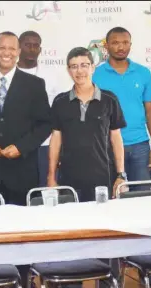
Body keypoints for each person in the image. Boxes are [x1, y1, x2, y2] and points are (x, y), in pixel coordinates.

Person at [0, 31, 52, 206]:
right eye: (1, 48)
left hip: (23, 173)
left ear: (18, 52)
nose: (6, 53)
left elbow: (45, 124)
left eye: (11, 48)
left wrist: (21, 147)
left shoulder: (35, 84)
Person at [47, 47, 127, 202]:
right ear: (68, 70)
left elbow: (116, 138)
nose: (79, 71)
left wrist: (121, 175)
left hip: (104, 177)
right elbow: (56, 140)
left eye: (84, 65)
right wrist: (51, 177)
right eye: (74, 66)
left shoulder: (109, 99)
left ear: (93, 67)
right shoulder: (60, 101)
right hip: (69, 179)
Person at [93, 27, 151, 192]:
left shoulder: (143, 72)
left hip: (140, 146)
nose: (121, 47)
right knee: (111, 199)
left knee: (142, 197)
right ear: (107, 46)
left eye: (125, 42)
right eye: (115, 43)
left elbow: (150, 110)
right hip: (107, 146)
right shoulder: (95, 74)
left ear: (130, 44)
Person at [17, 30, 59, 187]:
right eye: (27, 45)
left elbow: (57, 112)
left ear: (40, 50)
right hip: (17, 145)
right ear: (19, 48)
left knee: (45, 193)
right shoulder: (8, 76)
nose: (32, 49)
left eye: (36, 45)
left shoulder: (52, 76)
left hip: (46, 144)